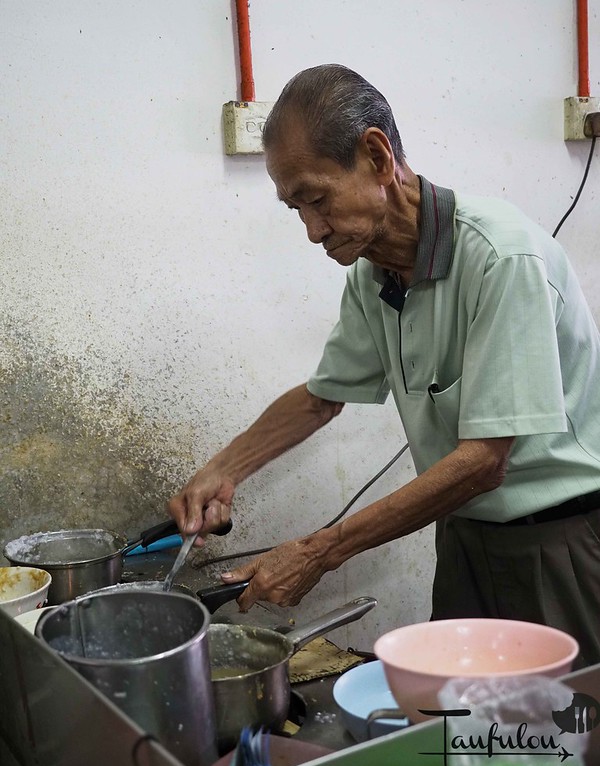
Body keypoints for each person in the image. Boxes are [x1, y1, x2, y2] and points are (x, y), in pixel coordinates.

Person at [168, 64, 600, 667]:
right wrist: (223, 468)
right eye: (295, 209)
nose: (313, 231)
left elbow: (483, 462)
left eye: (317, 200)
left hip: (559, 546)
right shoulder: (375, 272)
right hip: (463, 537)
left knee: (566, 740)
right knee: (463, 732)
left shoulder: (503, 258)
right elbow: (323, 396)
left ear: (377, 156)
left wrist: (319, 552)